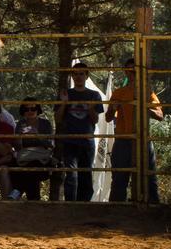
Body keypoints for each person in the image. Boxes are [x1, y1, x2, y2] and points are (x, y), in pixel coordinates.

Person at [106, 58, 163, 203]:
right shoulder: (119, 93)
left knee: (149, 179)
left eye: (135, 71)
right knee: (119, 179)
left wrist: (146, 107)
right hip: (123, 140)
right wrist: (113, 109)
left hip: (143, 141)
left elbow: (160, 115)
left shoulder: (148, 92)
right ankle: (116, 211)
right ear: (125, 72)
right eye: (129, 70)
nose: (132, 74)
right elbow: (107, 118)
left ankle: (152, 210)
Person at [55, 62, 104, 202]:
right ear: (72, 75)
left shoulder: (94, 95)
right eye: (75, 74)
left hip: (87, 141)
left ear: (87, 76)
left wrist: (90, 108)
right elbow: (58, 119)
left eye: (81, 73)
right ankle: (70, 204)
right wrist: (64, 103)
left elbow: (95, 120)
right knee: (71, 175)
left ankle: (85, 204)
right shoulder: (65, 94)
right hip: (69, 140)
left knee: (86, 174)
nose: (78, 77)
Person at [12, 98, 55, 200]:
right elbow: (17, 147)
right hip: (26, 158)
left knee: (30, 170)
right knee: (28, 170)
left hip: (42, 158)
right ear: (23, 111)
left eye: (33, 109)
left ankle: (17, 192)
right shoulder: (20, 124)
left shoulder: (45, 124)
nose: (30, 112)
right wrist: (20, 137)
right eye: (26, 109)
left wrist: (37, 135)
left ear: (38, 109)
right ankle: (34, 201)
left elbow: (51, 145)